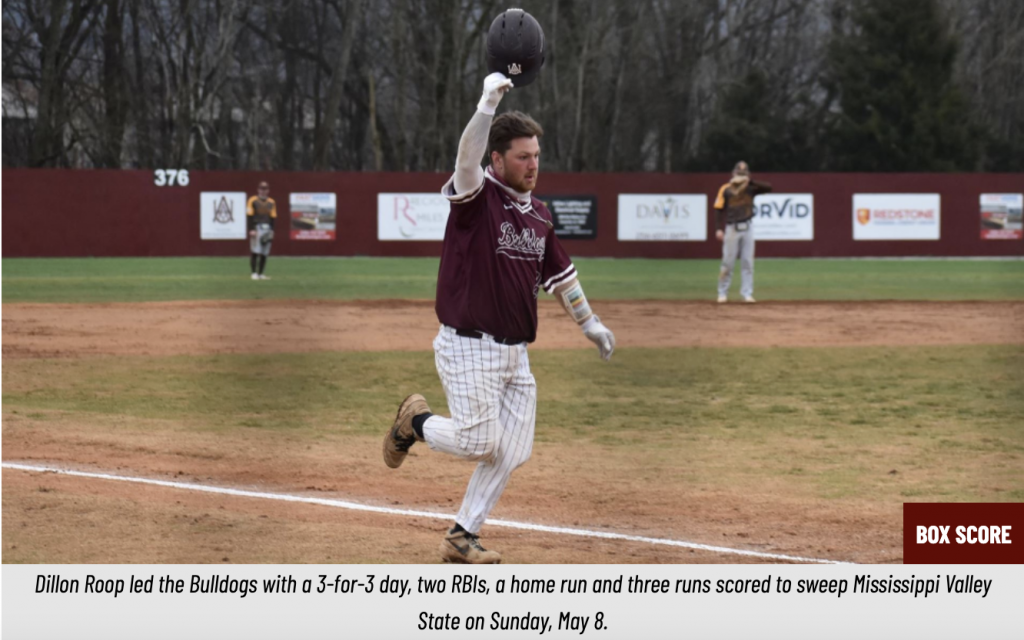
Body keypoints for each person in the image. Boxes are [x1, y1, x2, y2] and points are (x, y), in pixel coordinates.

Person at [382, 73, 616, 564]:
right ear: (497, 160)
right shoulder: (478, 198)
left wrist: (589, 323)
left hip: (516, 354)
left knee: (512, 450)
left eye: (536, 156)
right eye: (521, 157)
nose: (532, 165)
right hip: (468, 341)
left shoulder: (540, 217)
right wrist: (487, 102)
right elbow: (465, 159)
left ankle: (462, 535)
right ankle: (414, 422)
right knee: (477, 441)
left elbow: (563, 278)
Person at [713, 161, 772, 303]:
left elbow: (769, 188)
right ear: (733, 174)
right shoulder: (726, 189)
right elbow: (718, 209)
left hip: (748, 227)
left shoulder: (750, 189)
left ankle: (747, 293)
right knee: (728, 262)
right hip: (732, 227)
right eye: (739, 174)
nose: (740, 176)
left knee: (747, 262)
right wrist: (718, 228)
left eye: (743, 174)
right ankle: (722, 292)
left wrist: (750, 181)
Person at [247, 181, 276, 280]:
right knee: (255, 250)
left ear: (268, 190)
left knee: (264, 252)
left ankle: (261, 273)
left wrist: (272, 230)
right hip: (257, 227)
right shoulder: (253, 200)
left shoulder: (271, 202)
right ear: (258, 190)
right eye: (261, 189)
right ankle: (254, 273)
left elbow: (273, 217)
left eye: (265, 189)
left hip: (267, 227)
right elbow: (249, 215)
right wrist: (251, 229)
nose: (263, 191)